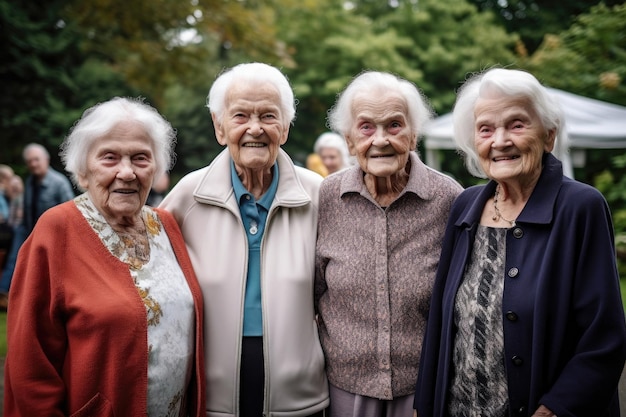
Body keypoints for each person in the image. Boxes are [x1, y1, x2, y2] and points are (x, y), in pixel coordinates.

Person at [414, 68, 626, 417]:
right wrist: (424, 405)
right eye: (485, 129)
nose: (499, 141)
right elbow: (441, 323)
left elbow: (604, 339)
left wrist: (553, 410)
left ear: (548, 136)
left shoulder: (580, 207)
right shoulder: (465, 207)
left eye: (516, 124)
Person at [4, 97, 206, 416]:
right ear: (83, 170)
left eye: (140, 158)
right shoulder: (57, 230)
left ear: (156, 167)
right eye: (109, 158)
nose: (126, 172)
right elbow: (30, 365)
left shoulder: (167, 224)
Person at [160, 62, 329, 417]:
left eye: (268, 115)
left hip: (299, 398)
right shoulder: (188, 196)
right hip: (211, 395)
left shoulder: (318, 195)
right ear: (219, 126)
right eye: (240, 116)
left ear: (285, 126)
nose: (255, 128)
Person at [315, 71, 463, 417]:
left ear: (413, 135)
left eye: (394, 125)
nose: (380, 139)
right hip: (346, 386)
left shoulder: (448, 198)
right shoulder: (328, 198)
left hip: (425, 386)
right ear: (349, 141)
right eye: (366, 127)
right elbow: (313, 289)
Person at [22, 142, 75, 234]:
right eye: (29, 161)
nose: (33, 164)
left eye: (36, 159)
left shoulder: (59, 182)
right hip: (33, 235)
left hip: (54, 236)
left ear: (46, 159)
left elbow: (71, 214)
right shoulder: (29, 182)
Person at [0, 174, 24, 308]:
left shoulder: (17, 200)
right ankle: (4, 293)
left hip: (13, 233)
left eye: (17, 186)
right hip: (14, 233)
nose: (15, 188)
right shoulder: (16, 200)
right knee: (13, 260)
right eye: (13, 187)